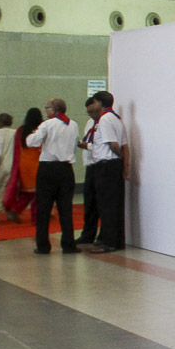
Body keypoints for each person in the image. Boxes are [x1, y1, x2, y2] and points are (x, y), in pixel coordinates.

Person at [26, 98, 80, 254]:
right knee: (66, 208)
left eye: (47, 107)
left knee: (43, 208)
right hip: (66, 169)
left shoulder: (47, 124)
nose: (46, 110)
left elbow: (31, 142)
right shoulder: (74, 124)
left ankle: (43, 245)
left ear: (53, 110)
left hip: (48, 169)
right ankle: (69, 244)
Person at [81, 91, 127, 253]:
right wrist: (123, 163)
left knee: (106, 205)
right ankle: (113, 239)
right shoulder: (116, 118)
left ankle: (109, 241)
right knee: (112, 205)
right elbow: (124, 144)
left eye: (94, 102)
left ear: (100, 103)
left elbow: (113, 145)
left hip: (107, 165)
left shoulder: (105, 119)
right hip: (112, 165)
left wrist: (119, 158)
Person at [4, 107, 43, 223]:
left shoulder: (20, 130)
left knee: (27, 192)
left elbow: (17, 148)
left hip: (23, 165)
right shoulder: (40, 129)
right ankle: (36, 218)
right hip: (37, 164)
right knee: (37, 193)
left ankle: (16, 209)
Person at [76, 97, 100, 245]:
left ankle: (103, 234)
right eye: (88, 112)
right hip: (90, 165)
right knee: (89, 202)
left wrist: (87, 146)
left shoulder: (104, 122)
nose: (90, 114)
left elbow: (100, 145)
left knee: (101, 204)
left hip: (100, 164)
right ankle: (88, 234)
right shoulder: (90, 123)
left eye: (92, 111)